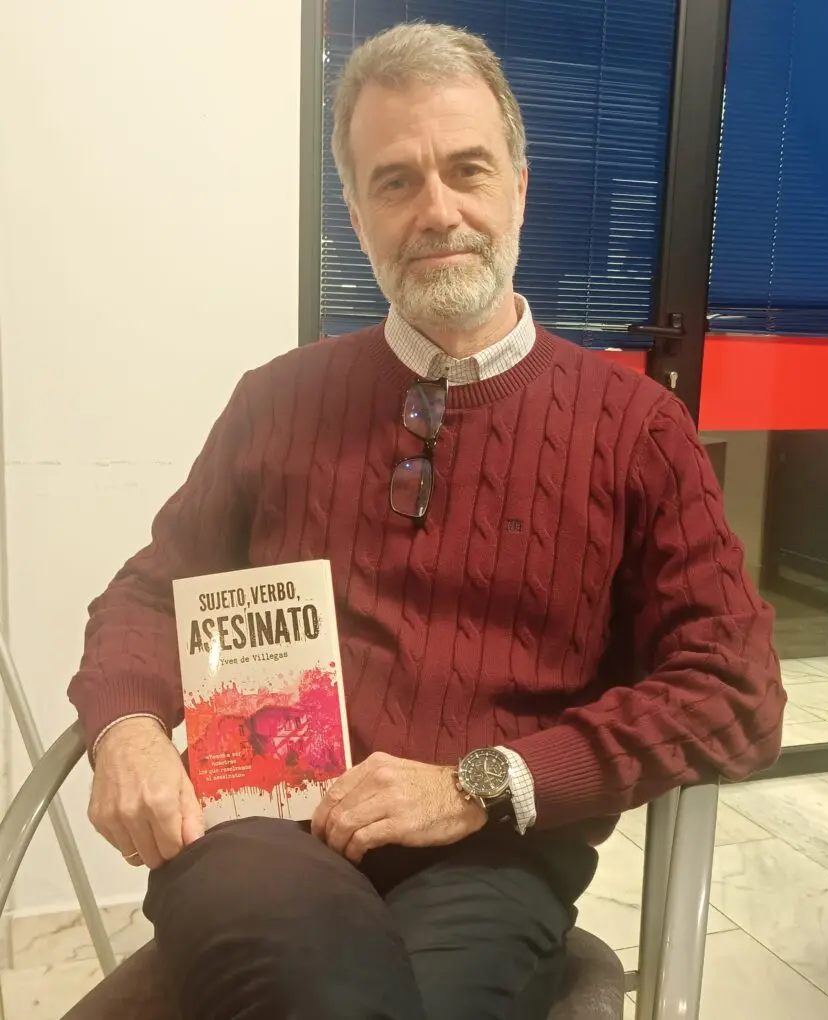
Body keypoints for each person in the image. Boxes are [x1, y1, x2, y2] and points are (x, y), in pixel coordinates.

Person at [68, 21, 786, 1020]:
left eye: (468, 170)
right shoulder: (275, 402)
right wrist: (126, 730)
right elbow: (150, 594)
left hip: (492, 858)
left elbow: (733, 693)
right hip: (262, 837)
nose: (438, 210)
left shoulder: (637, 431)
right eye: (396, 181)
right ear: (358, 215)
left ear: (519, 190)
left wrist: (477, 784)